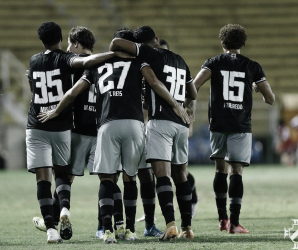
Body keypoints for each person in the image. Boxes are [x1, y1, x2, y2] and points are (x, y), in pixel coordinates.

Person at [38, 27, 190, 243]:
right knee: (130, 178)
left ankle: (107, 230)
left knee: (107, 179)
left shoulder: (98, 64)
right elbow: (154, 84)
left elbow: (73, 92)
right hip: (135, 124)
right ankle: (128, 230)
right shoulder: (140, 63)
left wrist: (56, 110)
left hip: (107, 124)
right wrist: (176, 105)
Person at [27, 21, 130, 244]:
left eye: (70, 45)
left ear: (74, 44)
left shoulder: (74, 66)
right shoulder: (107, 67)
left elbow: (70, 94)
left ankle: (55, 218)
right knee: (109, 179)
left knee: (64, 177)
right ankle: (112, 227)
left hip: (76, 131)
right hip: (103, 129)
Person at [109, 26, 197, 241]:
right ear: (157, 38)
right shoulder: (179, 59)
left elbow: (116, 43)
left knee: (162, 175)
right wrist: (187, 107)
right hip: (181, 125)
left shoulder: (149, 54)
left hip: (161, 122)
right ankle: (187, 228)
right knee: (181, 176)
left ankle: (170, 225)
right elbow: (192, 91)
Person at [192, 24, 275, 234]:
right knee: (236, 171)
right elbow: (270, 99)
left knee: (220, 169)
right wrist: (255, 87)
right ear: (242, 44)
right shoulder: (252, 66)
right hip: (240, 126)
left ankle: (222, 219)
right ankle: (235, 224)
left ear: (222, 43)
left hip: (218, 124)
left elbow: (194, 85)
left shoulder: (213, 62)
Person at [159, 38, 199, 219]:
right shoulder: (162, 66)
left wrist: (190, 119)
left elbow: (192, 95)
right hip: (164, 123)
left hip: (173, 124)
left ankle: (192, 200)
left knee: (177, 171)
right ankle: (162, 213)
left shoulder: (173, 66)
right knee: (161, 171)